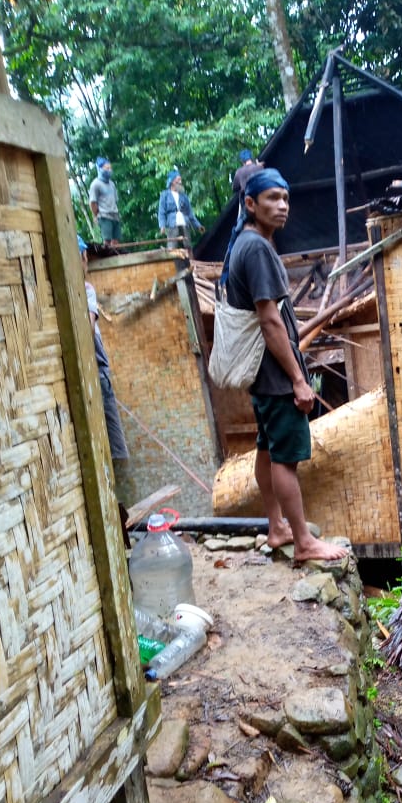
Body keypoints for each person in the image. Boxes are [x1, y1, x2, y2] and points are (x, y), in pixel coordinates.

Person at [222, 169, 348, 563]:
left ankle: (277, 527)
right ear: (250, 204)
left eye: (286, 198)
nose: (282, 206)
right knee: (285, 458)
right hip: (275, 374)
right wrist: (298, 379)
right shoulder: (257, 248)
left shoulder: (243, 244)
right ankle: (303, 542)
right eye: (272, 198)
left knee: (267, 447)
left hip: (261, 374)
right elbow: (270, 321)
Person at [78, 235, 130, 468]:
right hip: (96, 373)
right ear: (82, 257)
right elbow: (88, 329)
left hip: (93, 373)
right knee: (114, 447)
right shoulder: (86, 289)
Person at [157, 169, 203, 249]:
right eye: (178, 180)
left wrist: (198, 226)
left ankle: (190, 260)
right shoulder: (165, 195)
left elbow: (190, 213)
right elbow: (161, 212)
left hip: (184, 223)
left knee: (188, 247)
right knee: (172, 247)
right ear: (172, 181)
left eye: (180, 180)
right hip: (172, 224)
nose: (180, 182)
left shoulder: (183, 196)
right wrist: (162, 226)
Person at [88, 157, 122, 244]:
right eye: (107, 168)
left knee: (116, 240)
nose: (109, 170)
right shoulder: (95, 184)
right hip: (104, 215)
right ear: (100, 169)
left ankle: (116, 255)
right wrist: (95, 215)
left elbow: (115, 200)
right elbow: (92, 202)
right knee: (107, 240)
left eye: (110, 168)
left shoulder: (112, 184)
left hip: (114, 214)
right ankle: (107, 255)